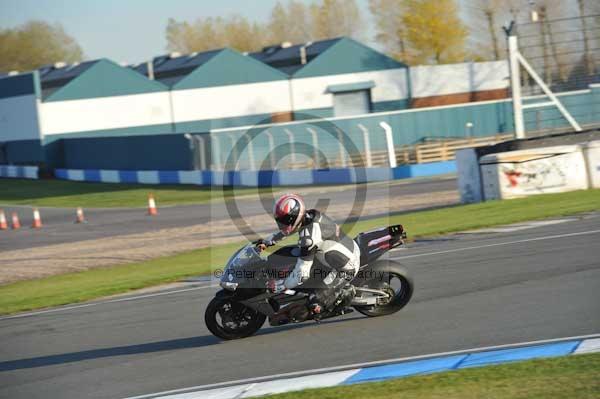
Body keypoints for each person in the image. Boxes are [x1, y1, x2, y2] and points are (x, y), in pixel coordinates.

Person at [257, 193, 361, 315]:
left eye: (285, 221)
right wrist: (266, 242)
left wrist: (280, 285)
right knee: (288, 253)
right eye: (280, 221)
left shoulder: (309, 239)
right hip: (333, 253)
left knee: (315, 301)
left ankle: (346, 293)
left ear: (295, 217)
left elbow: (302, 274)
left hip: (345, 267)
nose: (282, 225)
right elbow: (287, 230)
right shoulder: (309, 215)